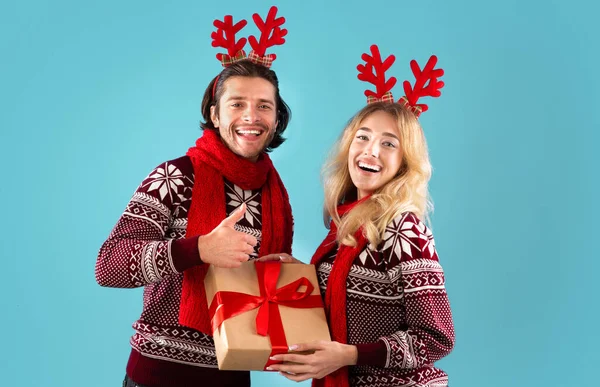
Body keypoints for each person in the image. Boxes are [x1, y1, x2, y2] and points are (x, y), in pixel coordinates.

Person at [95, 7, 294, 387]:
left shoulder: (275, 195)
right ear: (215, 114)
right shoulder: (175, 177)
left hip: (232, 375)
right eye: (237, 104)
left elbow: (257, 295)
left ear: (276, 119)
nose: (251, 116)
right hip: (157, 376)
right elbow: (109, 266)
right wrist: (199, 249)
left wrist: (279, 271)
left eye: (263, 106)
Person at [264, 46, 455, 387]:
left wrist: (350, 355)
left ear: (405, 163)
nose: (370, 150)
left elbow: (435, 337)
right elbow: (346, 304)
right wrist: (300, 277)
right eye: (363, 137)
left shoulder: (402, 229)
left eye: (388, 144)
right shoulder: (346, 222)